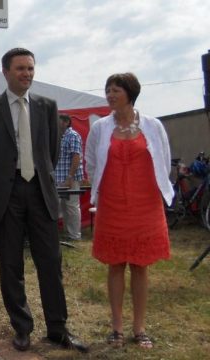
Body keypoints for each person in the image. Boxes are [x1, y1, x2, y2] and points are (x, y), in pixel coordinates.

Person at [0, 47, 87, 353]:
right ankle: (21, 328)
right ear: (6, 72)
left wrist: (37, 176)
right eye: (20, 68)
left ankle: (58, 329)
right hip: (6, 197)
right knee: (11, 266)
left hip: (40, 193)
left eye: (31, 68)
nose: (27, 74)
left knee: (50, 263)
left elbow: (50, 150)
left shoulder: (47, 106)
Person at [85, 73, 172, 349]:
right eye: (108, 90)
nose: (110, 95)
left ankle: (139, 328)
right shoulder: (100, 128)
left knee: (140, 265)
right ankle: (116, 328)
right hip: (112, 205)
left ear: (130, 94)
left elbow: (164, 160)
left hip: (145, 204)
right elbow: (91, 163)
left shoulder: (153, 125)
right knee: (115, 264)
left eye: (116, 90)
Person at [56, 114, 84, 241]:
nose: (56, 122)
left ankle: (75, 235)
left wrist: (70, 177)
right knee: (62, 207)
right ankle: (68, 232)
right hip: (58, 177)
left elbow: (76, 157)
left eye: (58, 120)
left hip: (69, 177)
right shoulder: (59, 137)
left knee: (72, 206)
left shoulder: (72, 135)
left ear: (66, 122)